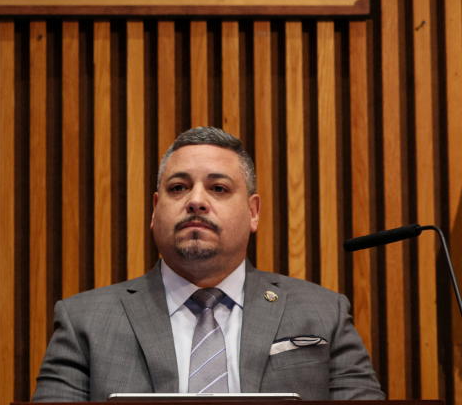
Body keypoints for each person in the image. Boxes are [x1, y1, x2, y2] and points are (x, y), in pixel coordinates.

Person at [33, 126, 384, 401]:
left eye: (218, 188)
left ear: (252, 211)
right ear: (155, 210)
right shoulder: (85, 322)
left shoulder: (324, 313)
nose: (196, 201)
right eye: (178, 188)